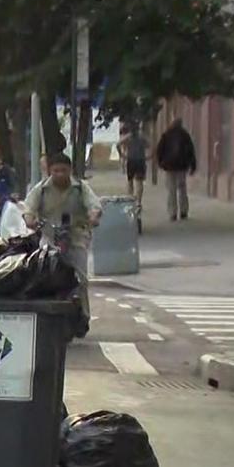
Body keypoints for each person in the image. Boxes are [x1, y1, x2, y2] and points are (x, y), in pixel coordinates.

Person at [23, 153, 103, 333]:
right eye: (56, 170)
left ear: (70, 171)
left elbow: (94, 206)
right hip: (50, 237)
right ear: (50, 171)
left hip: (75, 237)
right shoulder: (41, 189)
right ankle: (44, 315)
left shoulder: (81, 188)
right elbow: (29, 208)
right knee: (41, 275)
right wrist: (30, 220)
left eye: (63, 170)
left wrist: (93, 216)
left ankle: (83, 316)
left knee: (81, 279)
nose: (59, 174)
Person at [156, 118, 197, 221]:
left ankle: (172, 213)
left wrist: (161, 163)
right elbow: (191, 151)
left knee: (171, 190)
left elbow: (159, 150)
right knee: (182, 189)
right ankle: (183, 211)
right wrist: (192, 166)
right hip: (182, 166)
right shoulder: (185, 135)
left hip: (169, 166)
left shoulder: (166, 135)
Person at [117, 123, 150, 209]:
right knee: (139, 182)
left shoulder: (128, 137)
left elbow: (118, 144)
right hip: (140, 160)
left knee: (130, 181)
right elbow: (150, 146)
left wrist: (122, 155)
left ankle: (131, 199)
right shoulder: (142, 137)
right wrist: (149, 157)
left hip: (131, 160)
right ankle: (138, 201)